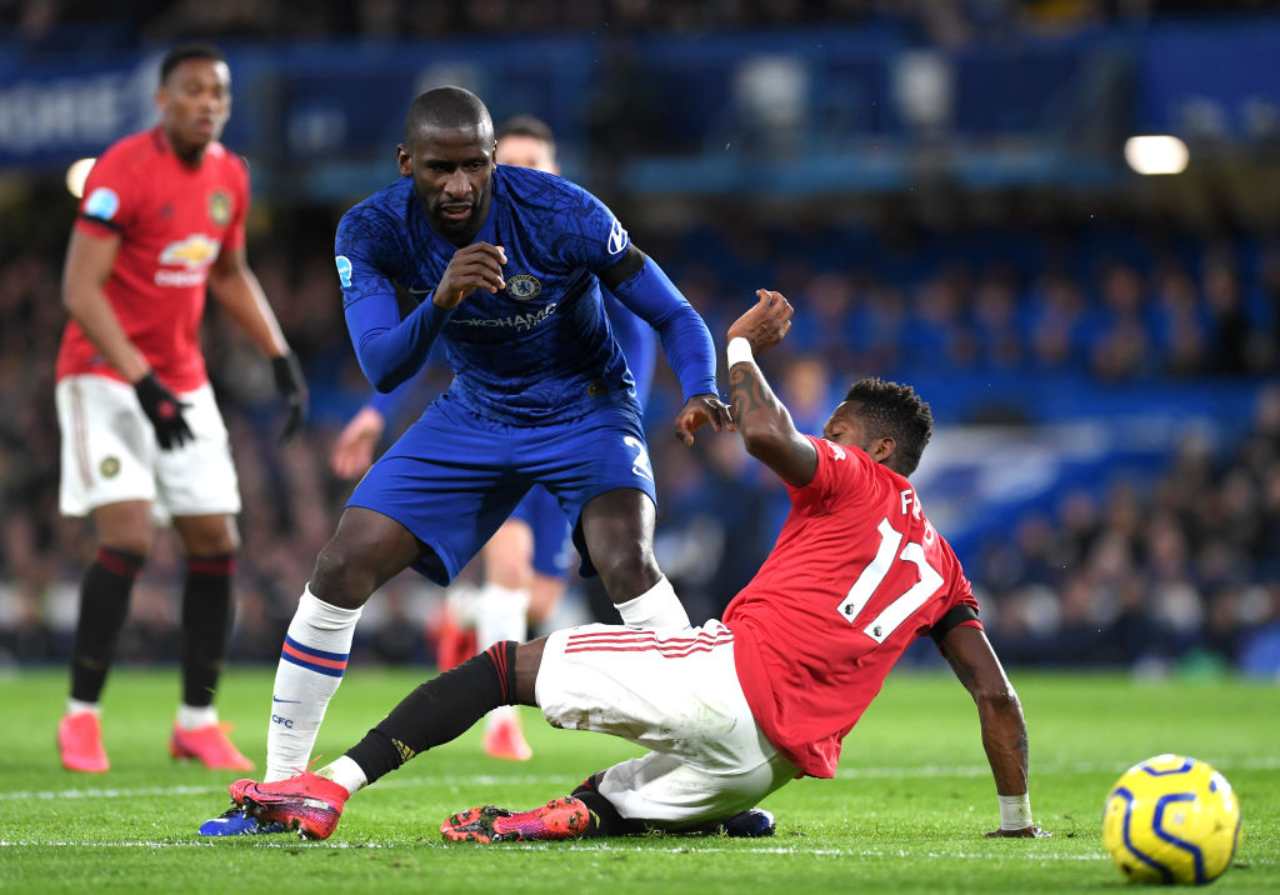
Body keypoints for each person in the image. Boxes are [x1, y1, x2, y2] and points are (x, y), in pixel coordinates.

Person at [220, 290, 1047, 844]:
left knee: (506, 665)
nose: (824, 437)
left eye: (837, 428)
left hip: (729, 679)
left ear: (878, 449)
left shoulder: (855, 475)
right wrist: (1015, 819)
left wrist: (737, 348)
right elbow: (996, 696)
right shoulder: (943, 566)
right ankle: (556, 817)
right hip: (766, 770)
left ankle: (328, 784)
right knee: (617, 792)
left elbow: (764, 435)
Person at [260, 86, 728, 788]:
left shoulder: (564, 213)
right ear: (405, 163)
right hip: (477, 413)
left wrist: (699, 386)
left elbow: (675, 313)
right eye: (439, 168)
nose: (459, 184)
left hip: (586, 407)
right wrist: (443, 297)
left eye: (475, 166)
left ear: (493, 162)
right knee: (341, 563)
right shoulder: (370, 230)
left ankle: (716, 753)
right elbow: (384, 365)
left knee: (625, 558)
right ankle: (280, 781)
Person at [329, 114, 658, 761]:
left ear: (556, 169)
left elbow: (642, 327)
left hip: (578, 432)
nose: (525, 174)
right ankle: (501, 724)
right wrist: (374, 409)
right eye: (514, 163)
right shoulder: (465, 244)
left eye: (538, 162)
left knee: (540, 594)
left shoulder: (576, 231)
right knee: (509, 568)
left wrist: (629, 417)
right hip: (500, 428)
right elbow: (414, 341)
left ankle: (464, 618)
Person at [55, 44, 308, 773]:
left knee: (215, 542)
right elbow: (80, 290)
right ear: (163, 100)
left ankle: (195, 720)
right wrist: (141, 382)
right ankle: (81, 717)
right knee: (129, 536)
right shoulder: (121, 170)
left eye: (218, 93)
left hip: (182, 379)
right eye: (192, 90)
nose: (206, 102)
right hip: (103, 376)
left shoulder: (231, 175)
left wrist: (279, 355)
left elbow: (227, 272)